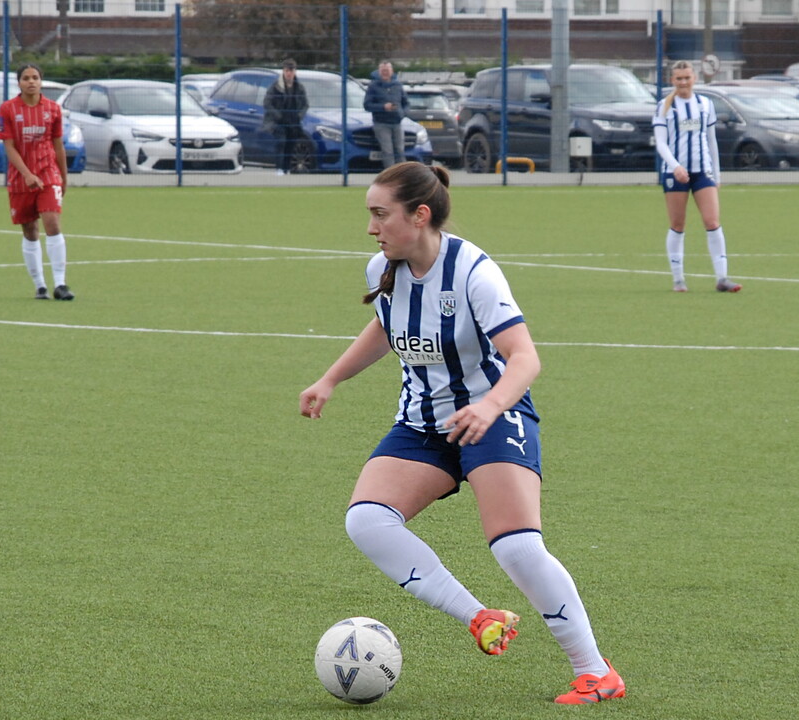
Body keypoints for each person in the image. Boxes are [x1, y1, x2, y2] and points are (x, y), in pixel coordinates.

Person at [299, 162, 626, 705]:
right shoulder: (383, 268)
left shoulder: (474, 272)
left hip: (494, 418)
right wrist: (331, 378)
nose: (371, 227)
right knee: (367, 520)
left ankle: (596, 672)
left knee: (517, 546)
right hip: (423, 423)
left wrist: (490, 406)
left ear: (419, 215)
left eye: (380, 214)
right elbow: (387, 326)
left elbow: (525, 358)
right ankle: (480, 617)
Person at [652, 60, 740, 293]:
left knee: (712, 222)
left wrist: (716, 174)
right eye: (679, 78)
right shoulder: (664, 107)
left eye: (687, 78)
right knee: (677, 224)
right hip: (674, 174)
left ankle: (722, 278)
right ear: (672, 80)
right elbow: (661, 143)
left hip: (702, 171)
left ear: (694, 78)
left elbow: (711, 140)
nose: (683, 82)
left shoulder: (705, 104)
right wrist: (675, 167)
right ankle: (678, 279)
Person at [0, 63, 74, 301]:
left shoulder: (52, 109)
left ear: (41, 81)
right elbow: (9, 146)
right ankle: (40, 285)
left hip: (48, 173)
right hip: (20, 178)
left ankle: (60, 284)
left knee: (52, 222)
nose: (31, 81)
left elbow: (58, 145)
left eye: (35, 77)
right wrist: (27, 174)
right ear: (19, 82)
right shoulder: (8, 109)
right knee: (30, 230)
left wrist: (63, 177)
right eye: (26, 78)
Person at [262, 58, 309, 176]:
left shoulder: (299, 87)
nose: (289, 73)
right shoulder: (275, 87)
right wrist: (278, 116)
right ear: (283, 71)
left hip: (293, 122)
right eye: (287, 70)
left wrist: (299, 116)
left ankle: (286, 169)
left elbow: (305, 104)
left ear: (295, 71)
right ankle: (279, 169)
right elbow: (267, 103)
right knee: (281, 142)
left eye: (291, 71)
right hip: (278, 122)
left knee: (291, 144)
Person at [363, 60, 409, 169]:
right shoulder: (373, 86)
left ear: (391, 71)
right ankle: (390, 174)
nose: (385, 72)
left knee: (400, 150)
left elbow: (406, 103)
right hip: (381, 123)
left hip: (397, 123)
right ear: (379, 71)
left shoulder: (398, 85)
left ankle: (403, 173)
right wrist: (383, 107)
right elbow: (367, 105)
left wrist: (402, 113)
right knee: (388, 151)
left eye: (387, 70)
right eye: (383, 70)